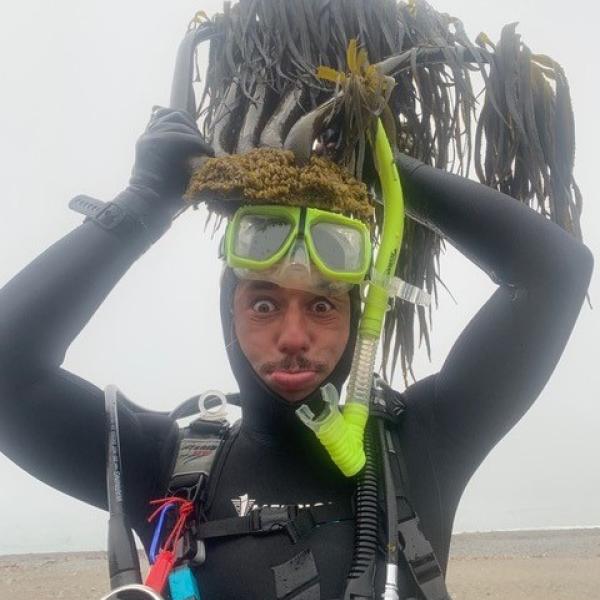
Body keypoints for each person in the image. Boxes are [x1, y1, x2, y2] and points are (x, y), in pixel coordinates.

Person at [0, 101, 593, 599]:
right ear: (228, 314)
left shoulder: (423, 445)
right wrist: (144, 202)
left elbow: (556, 271)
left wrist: (389, 171)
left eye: (322, 305)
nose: (293, 335)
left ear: (358, 319)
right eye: (263, 304)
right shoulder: (166, 465)